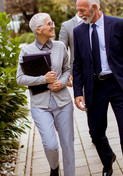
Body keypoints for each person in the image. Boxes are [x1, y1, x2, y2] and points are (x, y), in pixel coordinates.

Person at [73, 0, 123, 176]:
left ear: (95, 8)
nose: (80, 14)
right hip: (94, 88)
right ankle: (108, 159)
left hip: (117, 85)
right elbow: (78, 64)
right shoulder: (78, 31)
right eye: (78, 11)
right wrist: (77, 92)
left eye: (82, 10)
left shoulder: (118, 25)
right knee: (95, 133)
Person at [16, 13, 75, 176]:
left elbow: (66, 70)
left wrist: (62, 83)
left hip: (63, 103)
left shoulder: (60, 47)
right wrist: (44, 79)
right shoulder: (26, 51)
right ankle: (54, 167)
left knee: (68, 144)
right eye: (49, 24)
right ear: (38, 29)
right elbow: (20, 78)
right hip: (40, 105)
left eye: (52, 22)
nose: (53, 25)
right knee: (50, 145)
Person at [59, 13, 82, 86]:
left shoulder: (99, 23)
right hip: (79, 72)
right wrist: (65, 75)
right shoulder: (66, 26)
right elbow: (61, 53)